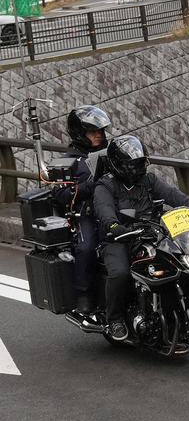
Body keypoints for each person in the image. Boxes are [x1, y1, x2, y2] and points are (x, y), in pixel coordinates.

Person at [93, 135, 189, 342]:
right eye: (132, 165)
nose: (137, 169)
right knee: (121, 273)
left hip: (150, 233)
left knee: (177, 262)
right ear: (118, 165)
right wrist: (114, 226)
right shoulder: (105, 185)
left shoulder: (148, 180)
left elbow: (171, 194)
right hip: (118, 238)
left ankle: (178, 313)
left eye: (140, 163)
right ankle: (115, 319)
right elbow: (104, 210)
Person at [58, 105, 112, 322]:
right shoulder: (67, 160)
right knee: (87, 246)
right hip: (85, 214)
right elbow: (61, 193)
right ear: (80, 133)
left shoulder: (110, 153)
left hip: (112, 210)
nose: (98, 135)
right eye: (93, 132)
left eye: (100, 131)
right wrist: (89, 186)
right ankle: (84, 295)